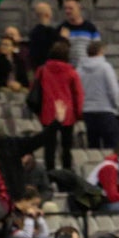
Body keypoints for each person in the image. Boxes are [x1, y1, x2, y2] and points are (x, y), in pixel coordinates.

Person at [33, 41, 82, 171]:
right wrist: (78, 113)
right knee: (66, 148)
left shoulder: (42, 70)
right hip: (67, 113)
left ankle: (50, 176)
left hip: (47, 112)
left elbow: (35, 90)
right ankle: (66, 176)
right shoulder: (71, 72)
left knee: (49, 148)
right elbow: (78, 94)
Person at [78, 40, 119, 149]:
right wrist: (116, 105)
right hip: (105, 110)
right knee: (112, 145)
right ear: (100, 51)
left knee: (93, 146)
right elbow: (113, 89)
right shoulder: (105, 67)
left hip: (87, 111)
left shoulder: (79, 70)